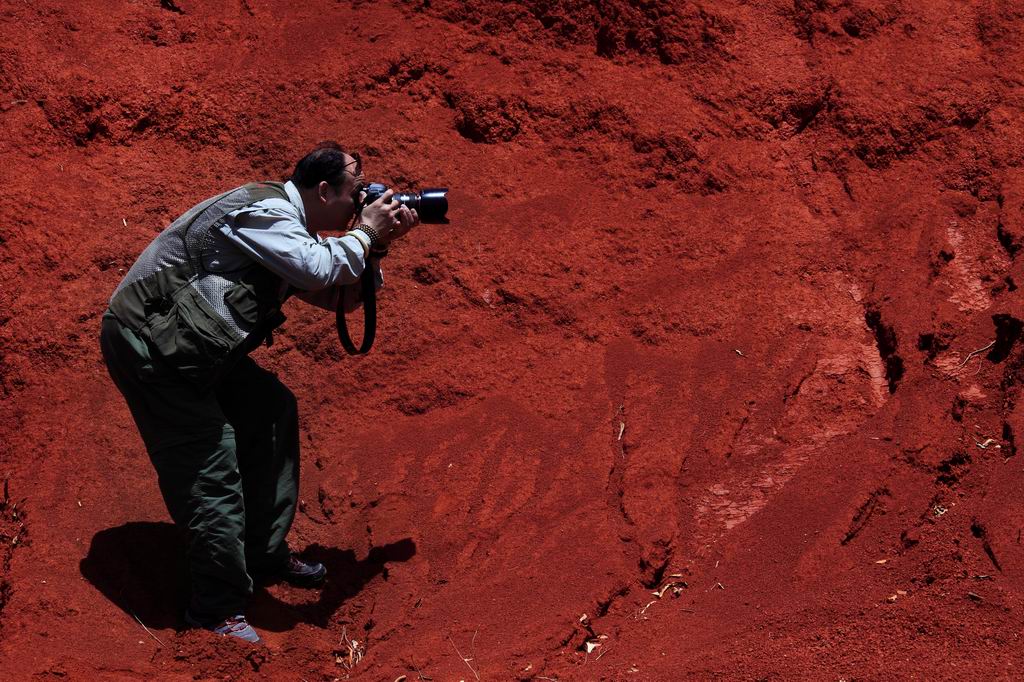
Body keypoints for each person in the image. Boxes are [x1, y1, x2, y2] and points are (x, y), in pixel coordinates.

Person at [99, 142, 418, 643]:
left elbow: (340, 295)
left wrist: (376, 245)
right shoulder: (263, 212)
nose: (362, 200)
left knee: (271, 410)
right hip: (148, 347)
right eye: (358, 190)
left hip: (191, 347)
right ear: (324, 190)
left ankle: (261, 555)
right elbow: (318, 268)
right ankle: (216, 610)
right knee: (210, 460)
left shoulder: (298, 232)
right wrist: (365, 233)